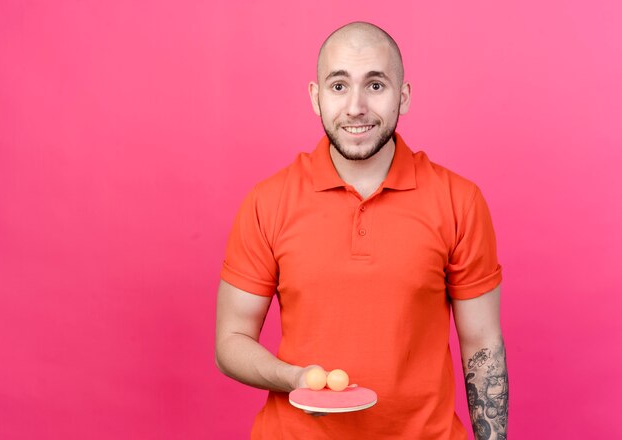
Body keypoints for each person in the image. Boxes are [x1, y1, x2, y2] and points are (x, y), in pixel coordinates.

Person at [215, 21, 508, 440]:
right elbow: (231, 338)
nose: (355, 107)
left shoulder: (459, 200)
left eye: (375, 85)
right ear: (315, 98)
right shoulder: (267, 202)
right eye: (338, 86)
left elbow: (482, 345)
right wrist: (295, 378)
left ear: (402, 97)